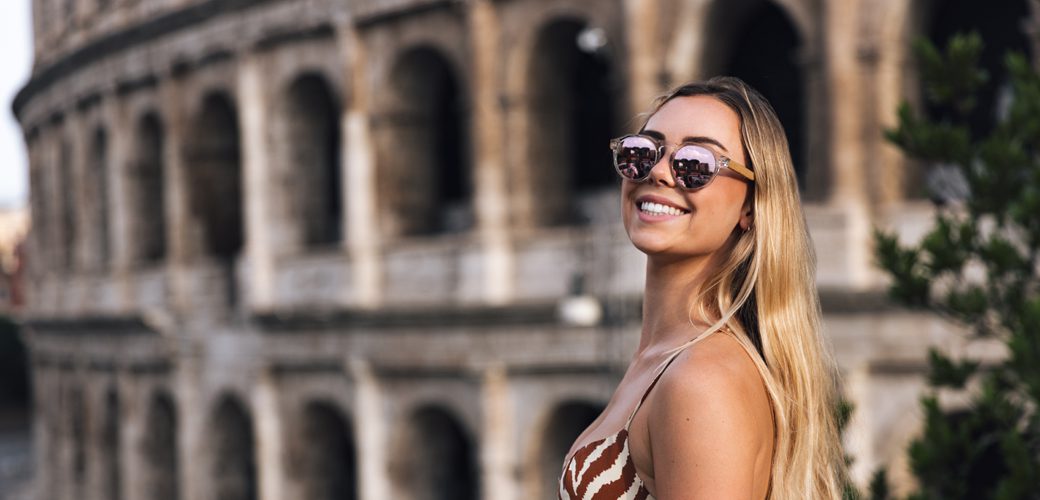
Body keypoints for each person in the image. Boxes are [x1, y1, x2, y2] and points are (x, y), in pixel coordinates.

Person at [558, 77, 846, 500]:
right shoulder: (668, 359)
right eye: (642, 152)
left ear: (750, 206)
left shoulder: (702, 380)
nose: (658, 172)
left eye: (695, 163)